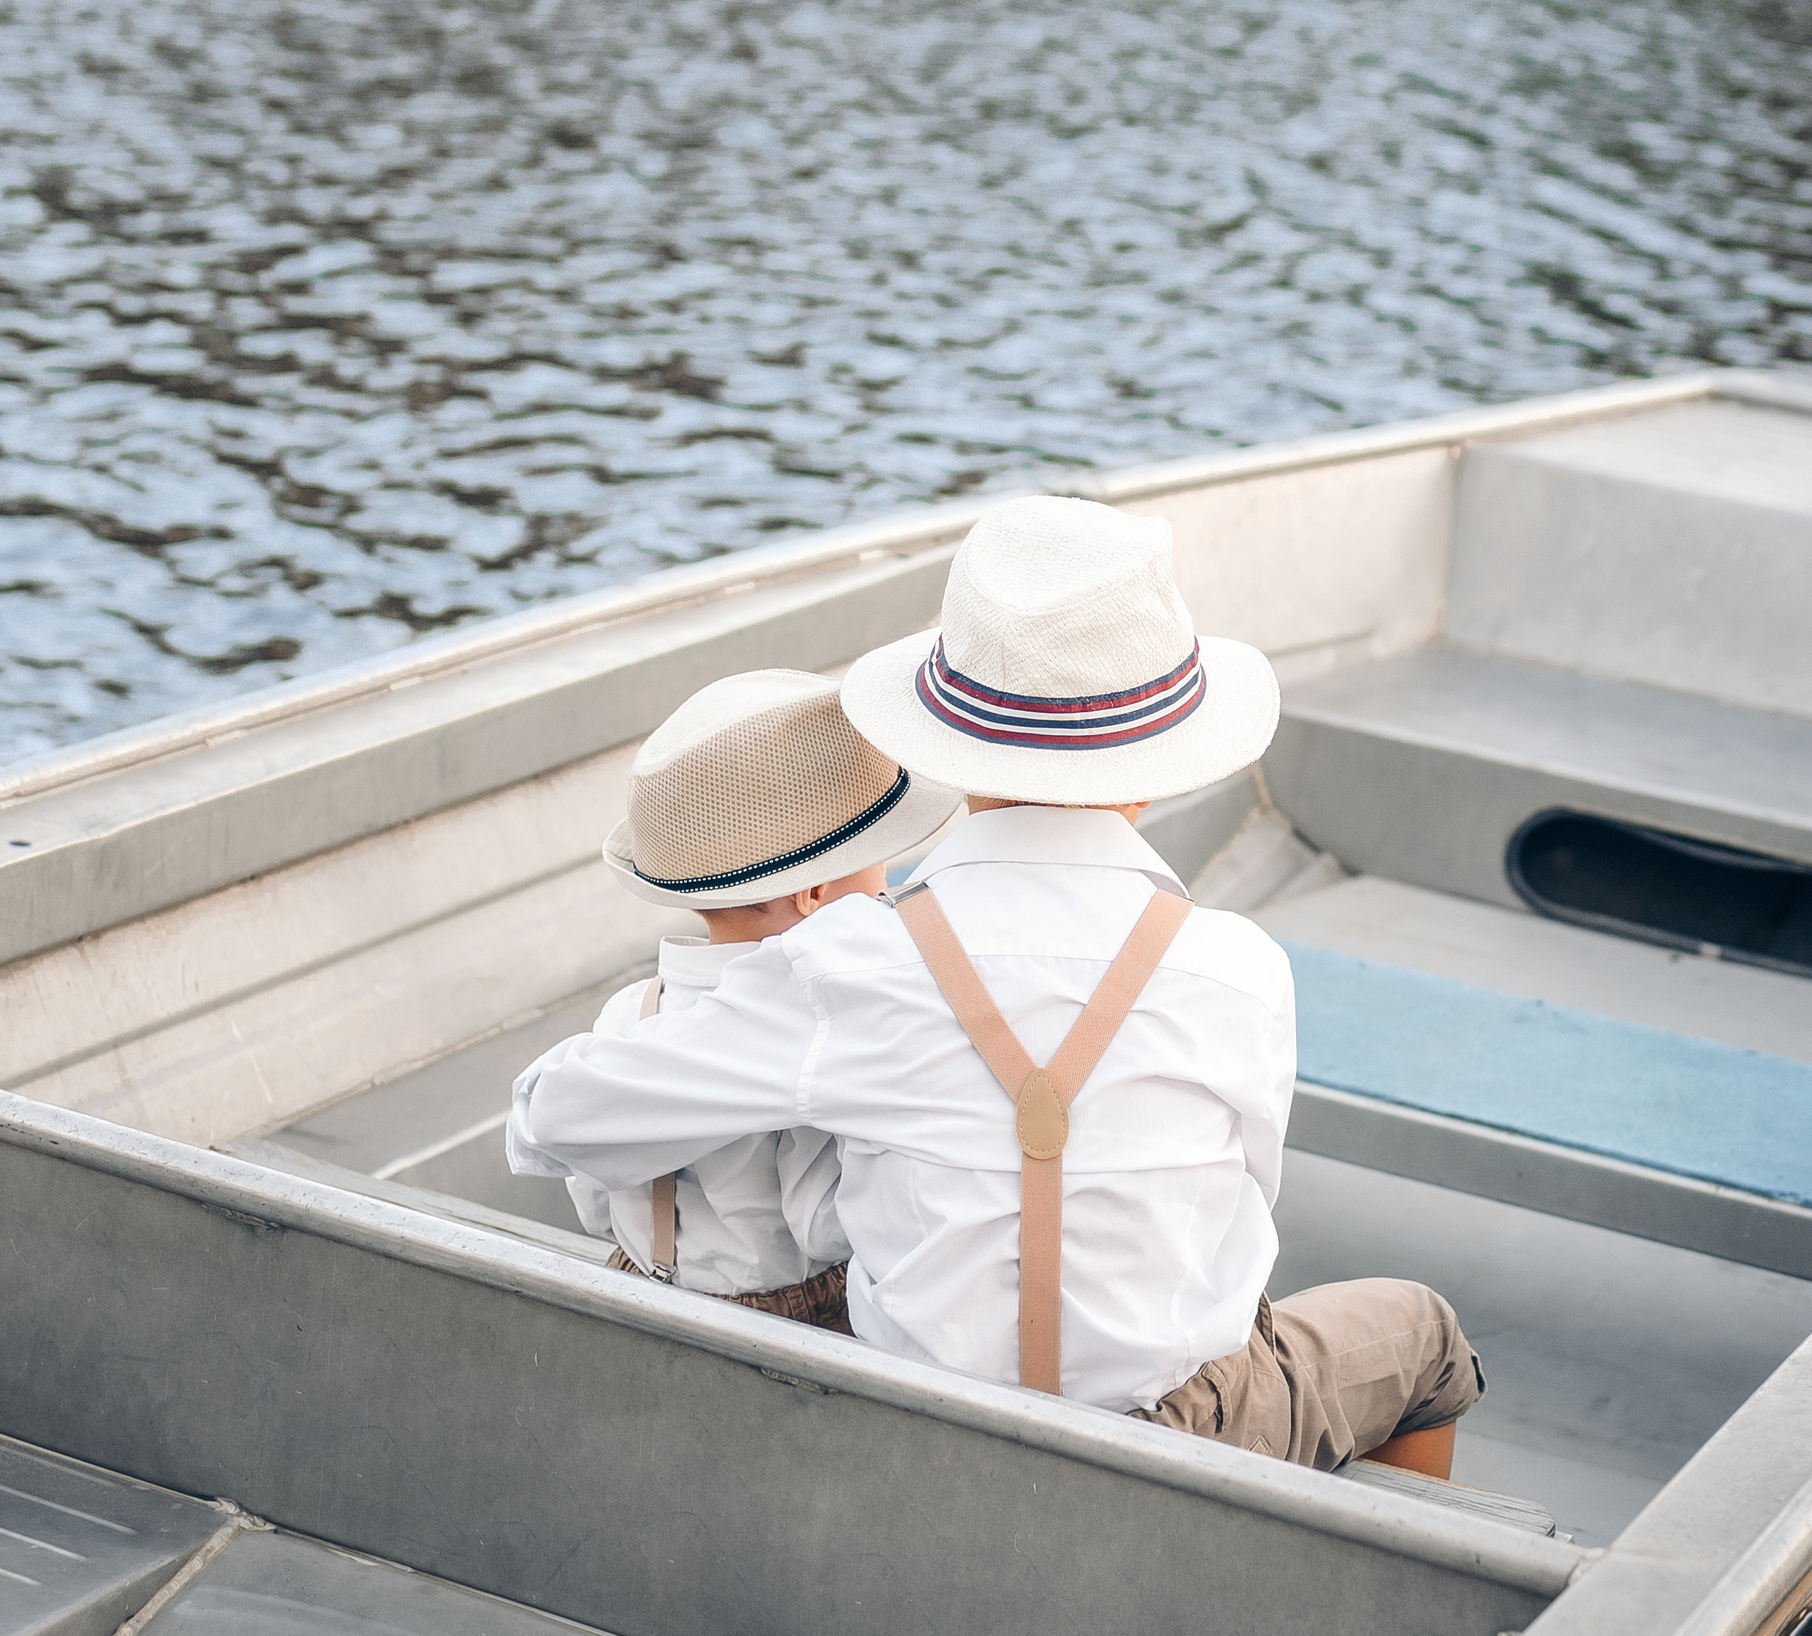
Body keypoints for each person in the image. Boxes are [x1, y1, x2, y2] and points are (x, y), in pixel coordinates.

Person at [509, 495, 1480, 1475]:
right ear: (1153, 769)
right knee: (1421, 1334)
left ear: (947, 747)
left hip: (919, 1422)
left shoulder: (843, 968)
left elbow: (551, 1120)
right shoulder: (1240, 969)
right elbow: (1244, 1204)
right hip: (1183, 1432)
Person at [538, 667, 964, 1334]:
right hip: (799, 1317)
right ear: (814, 893)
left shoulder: (633, 1010)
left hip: (640, 1293)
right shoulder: (824, 1024)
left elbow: (593, 1198)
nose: (887, 883)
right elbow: (824, 1222)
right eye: (879, 862)